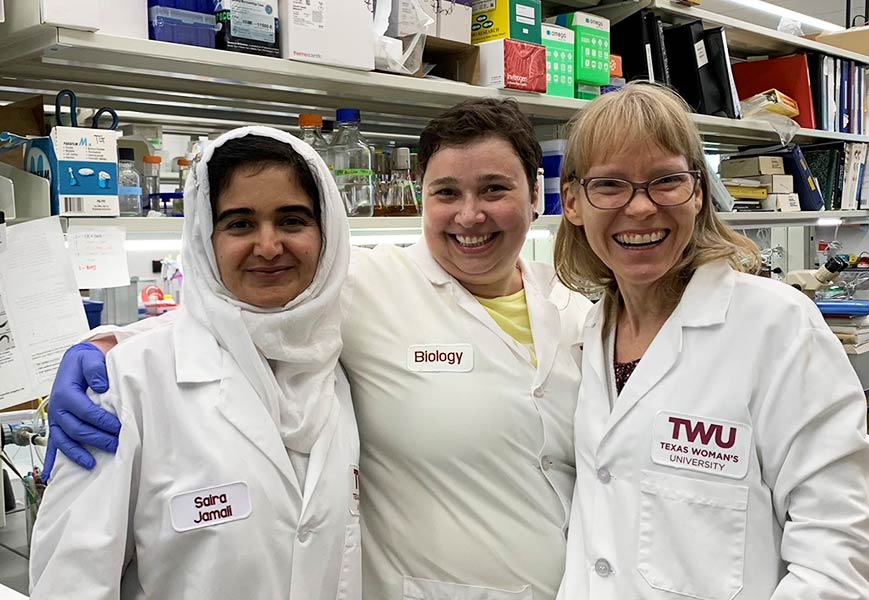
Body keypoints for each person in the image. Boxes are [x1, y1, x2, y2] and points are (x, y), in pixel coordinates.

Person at [43, 100, 592, 599]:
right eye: (446, 192)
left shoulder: (582, 312)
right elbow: (244, 309)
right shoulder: (368, 283)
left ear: (537, 192)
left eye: (494, 189)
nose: (469, 215)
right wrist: (99, 352)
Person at [553, 82, 869, 599]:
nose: (641, 208)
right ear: (574, 202)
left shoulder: (774, 326)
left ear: (698, 192)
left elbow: (843, 543)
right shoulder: (589, 331)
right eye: (610, 185)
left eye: (665, 180)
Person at [30, 127, 361, 600]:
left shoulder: (343, 359)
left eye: (292, 220)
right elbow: (71, 582)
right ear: (205, 238)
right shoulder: (126, 383)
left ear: (327, 231)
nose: (268, 247)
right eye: (240, 223)